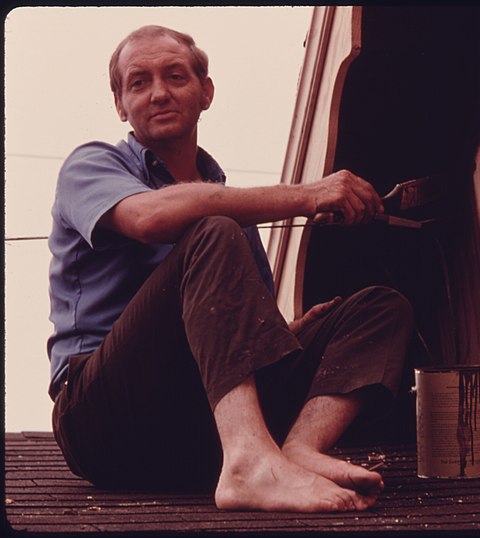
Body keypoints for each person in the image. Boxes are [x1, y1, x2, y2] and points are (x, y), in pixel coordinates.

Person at [47, 24, 415, 513]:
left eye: (175, 76)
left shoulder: (230, 216)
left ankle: (299, 450)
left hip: (196, 434)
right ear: (121, 105)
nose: (158, 92)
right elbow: (149, 217)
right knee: (213, 226)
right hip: (104, 422)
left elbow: (234, 335)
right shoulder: (91, 165)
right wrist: (307, 195)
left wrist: (292, 333)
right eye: (139, 82)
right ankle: (247, 463)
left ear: (206, 92)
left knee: (378, 307)